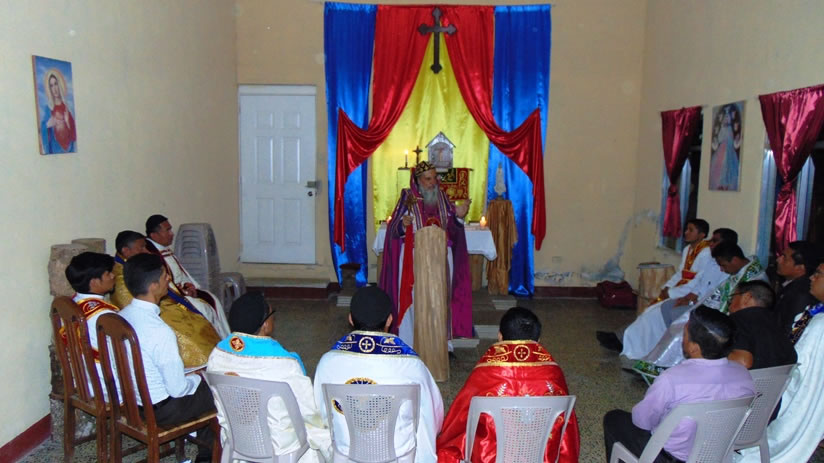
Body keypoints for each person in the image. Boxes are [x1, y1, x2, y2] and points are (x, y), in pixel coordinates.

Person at [603, 306, 755, 463]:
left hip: (671, 458)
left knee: (614, 418)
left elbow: (642, 421)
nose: (683, 337)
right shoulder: (743, 375)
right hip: (716, 455)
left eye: (685, 333)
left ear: (694, 347)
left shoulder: (672, 378)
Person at [313, 286, 444, 462]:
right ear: (389, 320)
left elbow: (320, 416)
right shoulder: (411, 365)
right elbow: (433, 414)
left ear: (350, 319)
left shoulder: (328, 363)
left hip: (346, 455)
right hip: (399, 457)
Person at [436, 307, 580, 463]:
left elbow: (458, 419)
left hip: (490, 457)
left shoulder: (484, 373)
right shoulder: (554, 373)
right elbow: (568, 429)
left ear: (500, 337)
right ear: (538, 340)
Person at [207, 292, 331, 462]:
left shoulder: (217, 355)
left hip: (239, 439)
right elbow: (309, 413)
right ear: (265, 325)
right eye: (272, 315)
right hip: (281, 446)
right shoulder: (284, 363)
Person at [378, 161, 472, 380]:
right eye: (428, 179)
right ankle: (410, 343)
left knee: (440, 300)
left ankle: (441, 345)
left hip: (440, 257)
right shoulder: (407, 197)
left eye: (434, 178)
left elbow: (453, 228)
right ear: (418, 181)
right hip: (414, 258)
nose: (433, 183)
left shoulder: (443, 197)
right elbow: (394, 229)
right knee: (413, 300)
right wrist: (403, 225)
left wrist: (459, 216)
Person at [118, 253, 216, 462]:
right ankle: (207, 455)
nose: (169, 280)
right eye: (165, 277)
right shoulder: (160, 331)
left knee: (196, 379)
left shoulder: (120, 317)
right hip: (161, 411)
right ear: (153, 286)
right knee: (217, 389)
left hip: (130, 403)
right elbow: (178, 390)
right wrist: (198, 378)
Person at [735, 260, 824, 462]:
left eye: (818, 274)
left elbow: (803, 370)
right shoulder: (814, 310)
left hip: (800, 394)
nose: (812, 278)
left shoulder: (820, 325)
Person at [636, 241, 767, 370]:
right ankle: (657, 363)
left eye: (723, 265)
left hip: (727, 322)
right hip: (715, 314)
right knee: (678, 323)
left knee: (684, 332)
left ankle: (672, 369)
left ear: (735, 260)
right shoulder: (738, 271)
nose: (722, 270)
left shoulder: (755, 278)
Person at [598, 220, 715, 352]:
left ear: (701, 234)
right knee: (648, 312)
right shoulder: (688, 249)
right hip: (680, 290)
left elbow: (697, 282)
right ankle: (623, 338)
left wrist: (672, 293)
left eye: (691, 230)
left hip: (687, 294)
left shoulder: (705, 253)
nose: (686, 232)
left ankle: (626, 341)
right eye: (686, 229)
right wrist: (667, 287)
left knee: (652, 314)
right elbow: (680, 273)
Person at [616, 228, 733, 359]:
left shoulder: (713, 258)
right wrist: (673, 291)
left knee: (666, 313)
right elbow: (696, 281)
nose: (710, 243)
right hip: (691, 296)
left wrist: (676, 294)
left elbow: (708, 291)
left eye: (715, 241)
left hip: (704, 306)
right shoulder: (706, 258)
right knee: (655, 309)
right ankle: (631, 342)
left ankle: (660, 353)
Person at [113, 230, 220, 368]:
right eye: (142, 247)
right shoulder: (122, 277)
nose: (146, 251)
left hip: (166, 307)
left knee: (203, 313)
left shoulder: (136, 267)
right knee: (194, 335)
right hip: (163, 318)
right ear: (126, 251)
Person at [144, 214, 230, 338]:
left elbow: (180, 272)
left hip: (181, 290)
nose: (172, 233)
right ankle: (212, 341)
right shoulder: (152, 254)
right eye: (168, 230)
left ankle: (225, 338)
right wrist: (184, 292)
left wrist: (191, 286)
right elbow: (163, 282)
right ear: (154, 235)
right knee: (203, 308)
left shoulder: (163, 249)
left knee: (212, 298)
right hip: (172, 297)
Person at [62, 252, 119, 398]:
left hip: (83, 381)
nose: (113, 276)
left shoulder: (71, 304)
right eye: (108, 273)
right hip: (106, 387)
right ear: (94, 282)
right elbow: (120, 356)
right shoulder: (104, 315)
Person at [727, 281, 797, 370]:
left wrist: (714, 351)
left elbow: (743, 361)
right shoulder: (779, 326)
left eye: (732, 298)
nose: (729, 306)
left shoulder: (739, 318)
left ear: (746, 297)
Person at [773, 240, 820, 335]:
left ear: (800, 268)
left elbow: (792, 332)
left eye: (784, 257)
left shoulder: (801, 294)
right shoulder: (791, 287)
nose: (778, 260)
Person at [40, 69, 76, 154]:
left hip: (69, 150)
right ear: (49, 89)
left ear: (59, 85)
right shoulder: (48, 109)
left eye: (56, 84)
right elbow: (42, 129)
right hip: (55, 151)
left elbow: (74, 136)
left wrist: (68, 123)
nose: (54, 88)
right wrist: (48, 125)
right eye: (51, 86)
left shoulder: (68, 108)